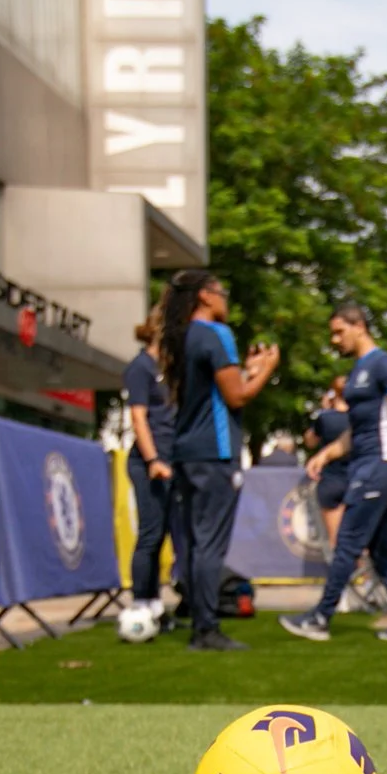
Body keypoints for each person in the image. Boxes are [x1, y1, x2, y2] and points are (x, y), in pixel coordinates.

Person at [283, 305, 387, 642]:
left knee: (347, 541)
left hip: (379, 464)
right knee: (380, 548)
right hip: (362, 463)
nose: (335, 340)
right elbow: (357, 429)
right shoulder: (360, 369)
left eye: (339, 332)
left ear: (359, 326)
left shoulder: (384, 364)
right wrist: (327, 453)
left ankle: (320, 617)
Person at [159, 269, 279, 652]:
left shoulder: (183, 338)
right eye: (222, 292)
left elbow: (219, 389)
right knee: (210, 545)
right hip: (215, 452)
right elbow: (237, 396)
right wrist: (267, 372)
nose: (226, 299)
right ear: (206, 296)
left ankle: (200, 621)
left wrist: (250, 371)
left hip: (187, 451)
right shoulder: (216, 334)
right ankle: (206, 630)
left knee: (194, 544)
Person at [120, 305, 172, 623]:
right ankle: (140, 600)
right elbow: (139, 417)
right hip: (148, 463)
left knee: (162, 534)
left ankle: (154, 600)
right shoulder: (141, 367)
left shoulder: (170, 370)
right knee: (150, 533)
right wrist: (153, 459)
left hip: (169, 461)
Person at [304, 376, 351, 558]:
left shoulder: (325, 418)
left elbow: (309, 441)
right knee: (359, 536)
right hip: (356, 479)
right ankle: (365, 578)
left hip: (331, 480)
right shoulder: (359, 418)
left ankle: (341, 578)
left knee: (335, 540)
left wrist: (324, 409)